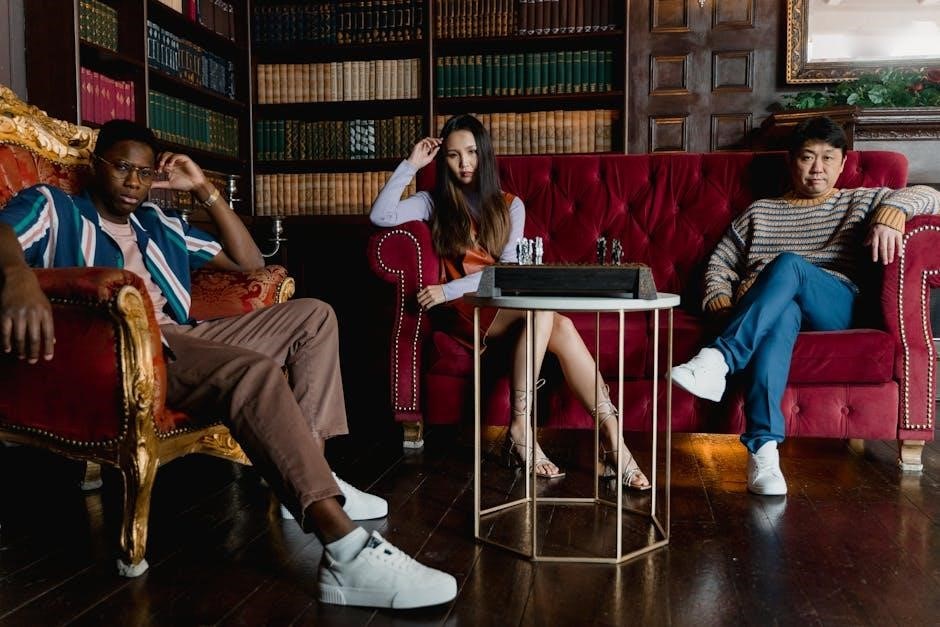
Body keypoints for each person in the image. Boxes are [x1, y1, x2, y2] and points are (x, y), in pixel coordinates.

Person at [0, 119, 456, 609]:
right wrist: (18, 276)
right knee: (251, 371)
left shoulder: (157, 223)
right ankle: (346, 549)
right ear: (96, 166)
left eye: (144, 173)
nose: (133, 182)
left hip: (184, 335)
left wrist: (203, 189)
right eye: (122, 168)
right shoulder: (56, 206)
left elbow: (250, 262)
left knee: (314, 316)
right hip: (126, 350)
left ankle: (308, 479)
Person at [370, 113, 650, 490]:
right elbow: (381, 215)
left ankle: (606, 437)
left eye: (471, 152)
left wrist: (445, 288)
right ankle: (544, 434)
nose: (464, 163)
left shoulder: (510, 205)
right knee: (546, 313)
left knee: (558, 322)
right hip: (464, 309)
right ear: (443, 160)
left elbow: (505, 272)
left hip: (498, 300)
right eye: (453, 155)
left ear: (484, 154)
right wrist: (411, 164)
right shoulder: (431, 203)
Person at [671, 116, 940, 496]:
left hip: (836, 306)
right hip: (774, 308)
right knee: (781, 314)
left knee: (789, 265)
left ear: (843, 164)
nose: (817, 168)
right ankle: (764, 452)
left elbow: (932, 196)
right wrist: (722, 303)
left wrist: (892, 212)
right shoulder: (760, 212)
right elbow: (719, 265)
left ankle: (720, 357)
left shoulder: (860, 200)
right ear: (791, 161)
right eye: (807, 157)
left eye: (828, 158)